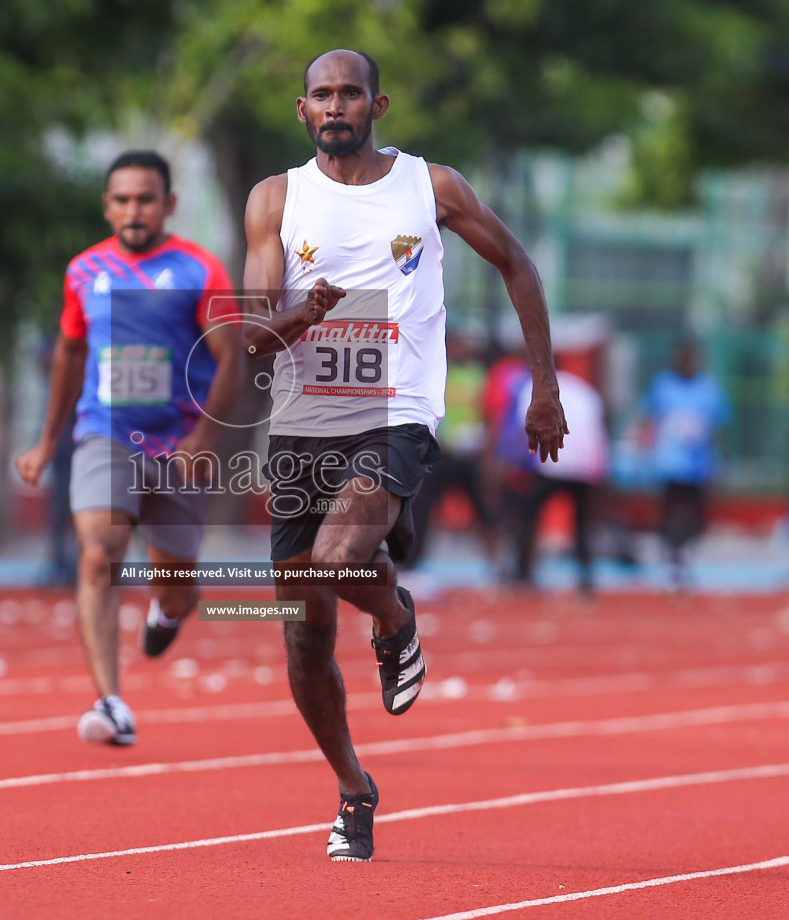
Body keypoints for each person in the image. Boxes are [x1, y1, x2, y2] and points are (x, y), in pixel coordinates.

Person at [239, 49, 566, 862]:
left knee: (339, 555)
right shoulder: (274, 200)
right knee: (303, 634)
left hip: (397, 407)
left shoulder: (433, 187)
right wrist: (300, 317)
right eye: (322, 95)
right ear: (303, 110)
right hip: (304, 421)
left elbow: (517, 266)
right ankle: (354, 790)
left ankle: (393, 615)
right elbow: (250, 336)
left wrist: (545, 387)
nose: (336, 105)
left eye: (350, 92)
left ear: (377, 104)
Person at [16, 150, 244, 746]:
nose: (133, 210)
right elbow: (69, 353)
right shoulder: (83, 271)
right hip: (104, 434)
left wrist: (204, 438)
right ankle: (110, 702)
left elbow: (232, 358)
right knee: (99, 554)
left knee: (177, 583)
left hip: (178, 445)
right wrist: (45, 442)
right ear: (107, 206)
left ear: (168, 205)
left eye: (145, 199)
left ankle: (168, 610)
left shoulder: (200, 270)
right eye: (121, 199)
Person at [504, 368, 607, 595]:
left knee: (528, 515)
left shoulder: (530, 387)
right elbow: (599, 430)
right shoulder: (585, 390)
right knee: (582, 524)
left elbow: (523, 429)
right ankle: (586, 577)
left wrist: (515, 463)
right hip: (586, 465)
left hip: (552, 461)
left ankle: (523, 573)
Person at [638, 342, 732, 590]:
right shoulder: (663, 386)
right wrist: (644, 454)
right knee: (670, 514)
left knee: (695, 516)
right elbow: (649, 420)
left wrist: (720, 462)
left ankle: (685, 557)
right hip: (669, 464)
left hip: (699, 466)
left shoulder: (710, 389)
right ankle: (671, 561)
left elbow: (719, 427)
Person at [404, 334, 495, 568]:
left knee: (485, 511)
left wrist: (486, 447)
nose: (460, 350)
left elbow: (488, 411)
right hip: (441, 453)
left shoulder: (479, 375)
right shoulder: (438, 372)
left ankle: (496, 564)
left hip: (470, 454)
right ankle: (414, 562)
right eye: (456, 345)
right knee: (423, 509)